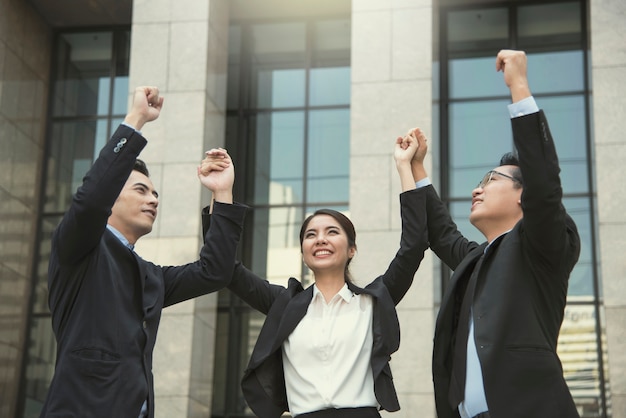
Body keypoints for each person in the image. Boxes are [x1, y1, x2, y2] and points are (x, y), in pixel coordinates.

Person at [41, 86, 247, 418]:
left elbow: (215, 272)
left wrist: (222, 193)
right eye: (141, 190)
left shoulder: (150, 275)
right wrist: (136, 119)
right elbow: (91, 200)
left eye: (155, 194)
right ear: (112, 198)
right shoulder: (78, 248)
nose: (153, 200)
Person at [403, 50, 581, 418]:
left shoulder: (541, 245)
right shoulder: (476, 259)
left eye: (491, 180)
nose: (476, 190)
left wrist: (518, 85)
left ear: (523, 194)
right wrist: (416, 166)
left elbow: (544, 180)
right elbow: (440, 232)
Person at [201, 135, 429, 418]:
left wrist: (405, 166)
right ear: (303, 252)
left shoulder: (372, 302)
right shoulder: (284, 304)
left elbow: (413, 245)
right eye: (311, 235)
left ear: (352, 249)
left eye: (332, 232)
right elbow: (228, 270)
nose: (320, 239)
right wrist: (221, 193)